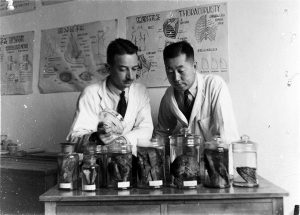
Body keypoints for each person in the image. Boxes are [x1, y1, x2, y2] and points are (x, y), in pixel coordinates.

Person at [67, 38, 153, 154]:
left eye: (134, 69)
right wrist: (95, 137)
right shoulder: (90, 94)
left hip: (128, 160)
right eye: (123, 69)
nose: (131, 76)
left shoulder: (140, 92)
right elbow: (74, 138)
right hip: (97, 161)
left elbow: (146, 128)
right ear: (108, 68)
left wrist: (122, 141)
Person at [154, 40, 239, 149]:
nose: (176, 78)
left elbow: (226, 134)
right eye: (170, 71)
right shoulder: (169, 95)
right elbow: (162, 133)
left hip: (216, 157)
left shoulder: (214, 86)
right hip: (188, 158)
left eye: (181, 71)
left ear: (194, 66)